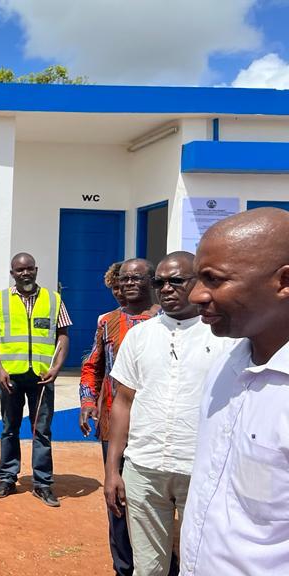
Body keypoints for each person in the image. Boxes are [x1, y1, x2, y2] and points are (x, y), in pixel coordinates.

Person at [104, 251, 233, 576]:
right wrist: (112, 470)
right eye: (160, 282)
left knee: (200, 564)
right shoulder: (139, 336)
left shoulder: (225, 339)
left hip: (202, 472)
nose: (166, 288)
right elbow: (123, 402)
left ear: (198, 283)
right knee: (148, 569)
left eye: (176, 281)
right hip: (144, 470)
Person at [180, 208, 289, 575]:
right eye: (198, 278)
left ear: (284, 281)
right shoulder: (226, 365)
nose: (196, 295)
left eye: (214, 280)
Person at [79, 257, 158, 576]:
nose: (129, 283)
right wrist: (87, 401)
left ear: (152, 281)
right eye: (124, 279)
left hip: (156, 425)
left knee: (156, 499)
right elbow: (92, 367)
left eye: (137, 278)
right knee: (118, 497)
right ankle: (123, 567)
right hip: (114, 425)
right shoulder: (106, 321)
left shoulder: (168, 319)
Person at [0, 252, 71, 507]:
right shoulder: (0, 300)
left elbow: (63, 335)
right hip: (10, 377)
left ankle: (42, 484)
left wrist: (56, 368)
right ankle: (7, 478)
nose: (25, 273)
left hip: (42, 378)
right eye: (20, 270)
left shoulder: (53, 300)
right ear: (12, 274)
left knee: (41, 431)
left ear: (36, 269)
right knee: (9, 429)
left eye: (29, 269)